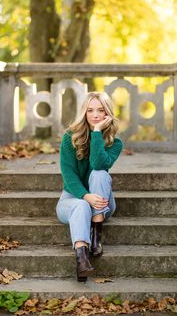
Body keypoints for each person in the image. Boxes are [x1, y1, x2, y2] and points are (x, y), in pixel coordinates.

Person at [56, 91, 123, 282]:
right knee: (81, 205)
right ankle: (82, 259)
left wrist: (96, 133)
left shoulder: (115, 143)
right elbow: (69, 176)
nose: (95, 115)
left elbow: (98, 164)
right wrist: (86, 196)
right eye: (90, 110)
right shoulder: (70, 138)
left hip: (102, 204)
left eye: (100, 110)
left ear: (107, 114)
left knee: (100, 174)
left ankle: (96, 238)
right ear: (84, 113)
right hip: (72, 200)